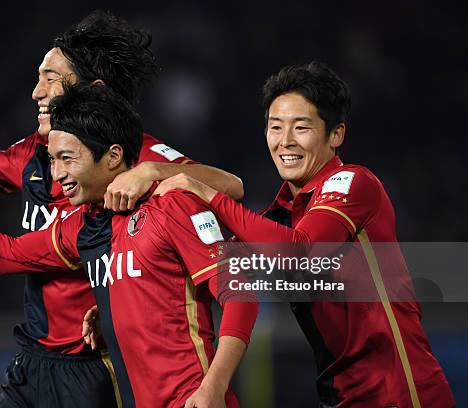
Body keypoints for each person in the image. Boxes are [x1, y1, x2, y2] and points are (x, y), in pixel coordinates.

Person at [0, 10, 243, 407]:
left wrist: (150, 172)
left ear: (93, 89)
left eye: (50, 79)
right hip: (36, 357)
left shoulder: (131, 158)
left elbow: (230, 189)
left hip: (102, 363)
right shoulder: (34, 159)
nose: (36, 92)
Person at [154, 62, 455, 407]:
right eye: (275, 127)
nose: (285, 141)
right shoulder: (280, 216)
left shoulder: (354, 184)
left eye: (301, 127)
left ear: (336, 134)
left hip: (399, 391)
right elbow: (221, 276)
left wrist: (209, 194)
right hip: (339, 395)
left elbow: (300, 252)